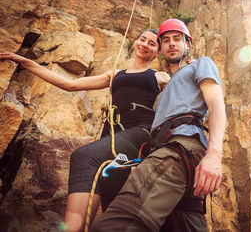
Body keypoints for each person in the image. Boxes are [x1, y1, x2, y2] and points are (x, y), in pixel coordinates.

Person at [0, 28, 170, 232]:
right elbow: (70, 84)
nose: (145, 44)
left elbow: (179, 97)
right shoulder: (115, 74)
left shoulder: (159, 76)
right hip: (112, 134)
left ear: (157, 53)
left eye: (152, 43)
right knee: (109, 194)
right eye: (142, 39)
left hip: (139, 133)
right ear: (135, 42)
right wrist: (26, 63)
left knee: (84, 156)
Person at [89, 18, 226, 232]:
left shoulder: (201, 64)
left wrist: (215, 155)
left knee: (116, 222)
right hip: (171, 154)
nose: (172, 43)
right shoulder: (166, 87)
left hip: (180, 148)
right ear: (160, 49)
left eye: (177, 39)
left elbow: (216, 105)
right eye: (166, 40)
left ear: (187, 44)